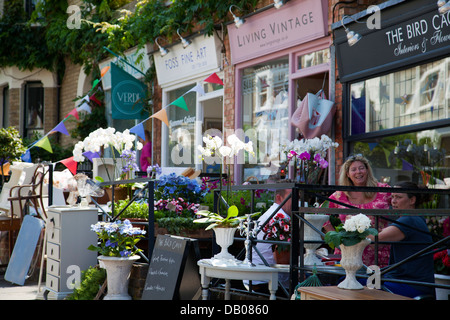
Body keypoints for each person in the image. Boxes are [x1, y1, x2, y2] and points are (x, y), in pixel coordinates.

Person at [367, 181, 435, 298]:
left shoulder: (408, 220)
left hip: (411, 284)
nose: (393, 201)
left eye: (398, 197)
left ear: (412, 200)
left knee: (356, 283)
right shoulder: (415, 218)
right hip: (408, 281)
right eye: (392, 196)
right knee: (364, 280)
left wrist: (356, 223)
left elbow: (374, 241)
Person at [324, 154, 391, 267]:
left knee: (378, 284)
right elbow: (320, 213)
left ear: (367, 170)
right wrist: (335, 237)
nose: (358, 172)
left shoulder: (383, 190)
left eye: (361, 168)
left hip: (379, 253)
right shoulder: (340, 195)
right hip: (348, 253)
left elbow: (401, 203)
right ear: (348, 174)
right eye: (353, 169)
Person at [243, 187, 292, 292]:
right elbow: (283, 260)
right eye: (291, 197)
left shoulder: (273, 212)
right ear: (279, 198)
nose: (297, 201)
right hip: (265, 281)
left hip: (254, 276)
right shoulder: (281, 217)